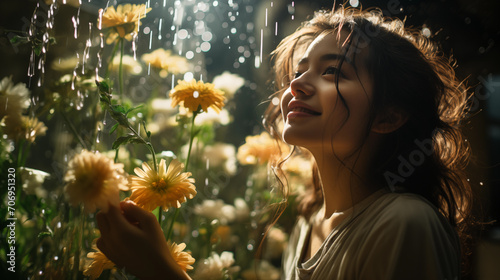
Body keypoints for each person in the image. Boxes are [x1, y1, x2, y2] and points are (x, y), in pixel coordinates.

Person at [96, 7, 475, 280]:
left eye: (333, 71)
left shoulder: (403, 224)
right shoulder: (309, 226)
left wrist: (161, 271)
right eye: (299, 71)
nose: (297, 84)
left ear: (388, 117)